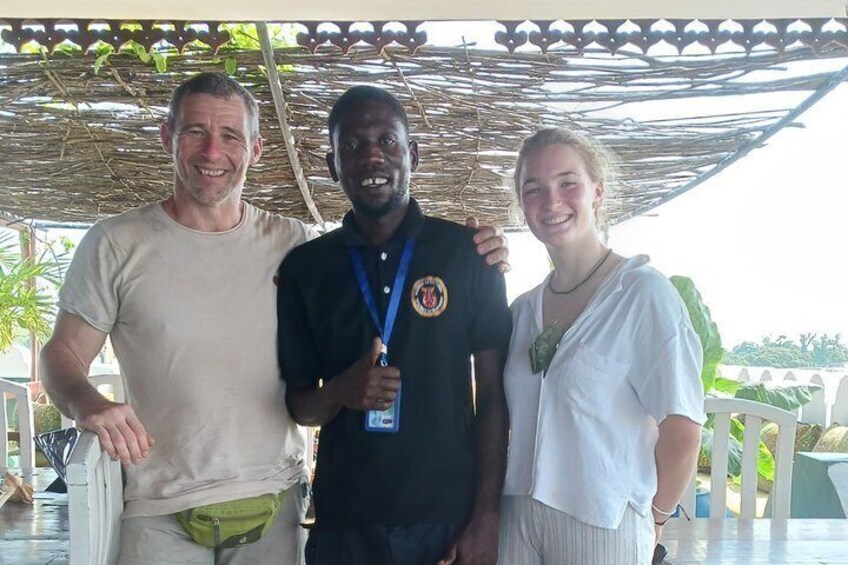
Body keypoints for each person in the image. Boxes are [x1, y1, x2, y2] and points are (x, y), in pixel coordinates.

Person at [40, 72, 508, 565]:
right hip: (162, 508)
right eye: (196, 131)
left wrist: (483, 249)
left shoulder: (293, 245)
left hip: (275, 503)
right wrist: (87, 403)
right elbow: (62, 352)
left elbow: (385, 260)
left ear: (256, 149)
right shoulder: (117, 243)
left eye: (230, 135)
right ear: (167, 137)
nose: (213, 151)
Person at [276, 85, 513, 565]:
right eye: (352, 146)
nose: (371, 157)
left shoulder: (468, 255)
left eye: (387, 141)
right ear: (333, 165)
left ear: (413, 155)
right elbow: (300, 405)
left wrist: (487, 515)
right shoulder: (306, 268)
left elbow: (493, 394)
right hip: (345, 522)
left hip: (447, 519)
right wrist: (340, 391)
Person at [498, 127, 704, 565]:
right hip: (516, 521)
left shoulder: (641, 294)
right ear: (521, 205)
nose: (551, 201)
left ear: (598, 191)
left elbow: (683, 428)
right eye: (533, 189)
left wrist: (656, 518)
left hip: (603, 523)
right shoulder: (522, 311)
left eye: (567, 183)